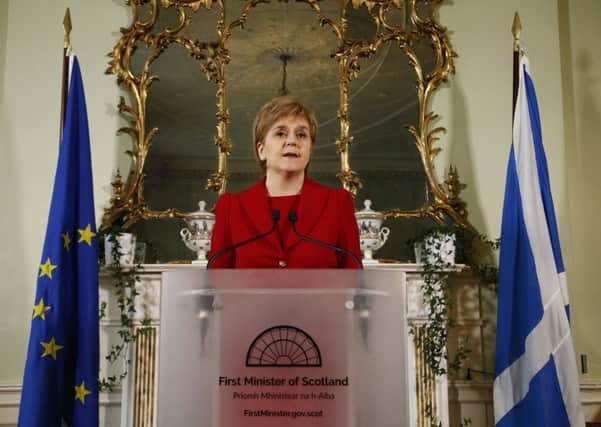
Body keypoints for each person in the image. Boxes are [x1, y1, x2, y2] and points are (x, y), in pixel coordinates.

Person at [208, 96, 362, 268]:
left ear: (310, 149)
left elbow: (354, 280)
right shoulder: (231, 207)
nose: (292, 141)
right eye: (280, 133)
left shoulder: (338, 203)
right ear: (261, 150)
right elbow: (216, 284)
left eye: (301, 134)